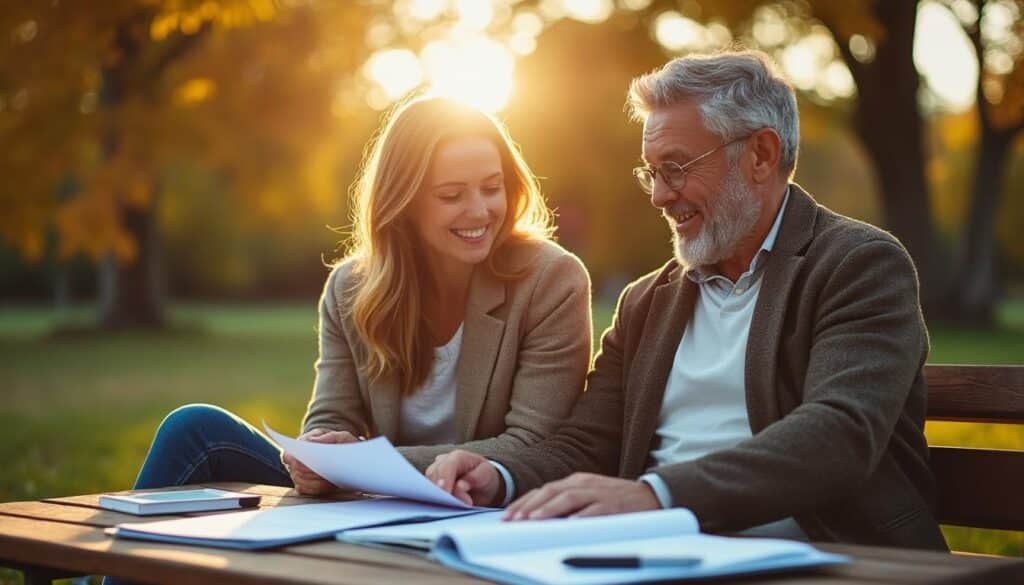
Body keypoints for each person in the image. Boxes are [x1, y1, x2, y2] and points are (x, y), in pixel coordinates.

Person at [427, 50, 949, 551]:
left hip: (828, 556)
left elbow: (839, 434)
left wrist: (657, 496)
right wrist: (498, 475)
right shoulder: (646, 301)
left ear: (761, 155)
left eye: (675, 167)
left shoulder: (857, 264)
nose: (658, 195)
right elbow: (586, 444)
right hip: (661, 555)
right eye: (651, 172)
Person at [125, 95, 592, 500]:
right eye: (452, 195)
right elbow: (331, 414)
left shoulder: (551, 279)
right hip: (367, 497)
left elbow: (534, 443)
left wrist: (368, 465)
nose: (480, 211)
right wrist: (317, 455)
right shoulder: (351, 287)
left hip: (480, 500)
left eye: (492, 189)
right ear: (404, 200)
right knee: (194, 429)